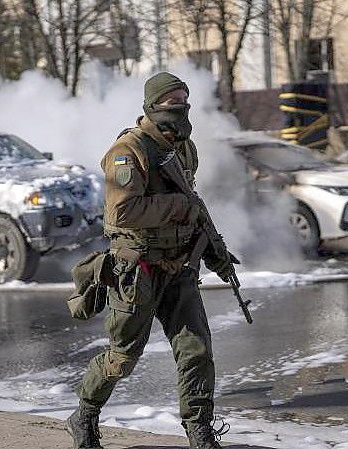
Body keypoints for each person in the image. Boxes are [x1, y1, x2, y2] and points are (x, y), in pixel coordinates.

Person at [66, 72, 238, 449]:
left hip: (179, 267)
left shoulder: (185, 148)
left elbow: (195, 208)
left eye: (185, 99)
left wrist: (215, 252)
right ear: (152, 104)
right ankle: (85, 414)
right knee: (123, 357)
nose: (180, 106)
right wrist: (179, 206)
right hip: (137, 270)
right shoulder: (129, 151)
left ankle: (199, 430)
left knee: (197, 350)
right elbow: (122, 214)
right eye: (172, 100)